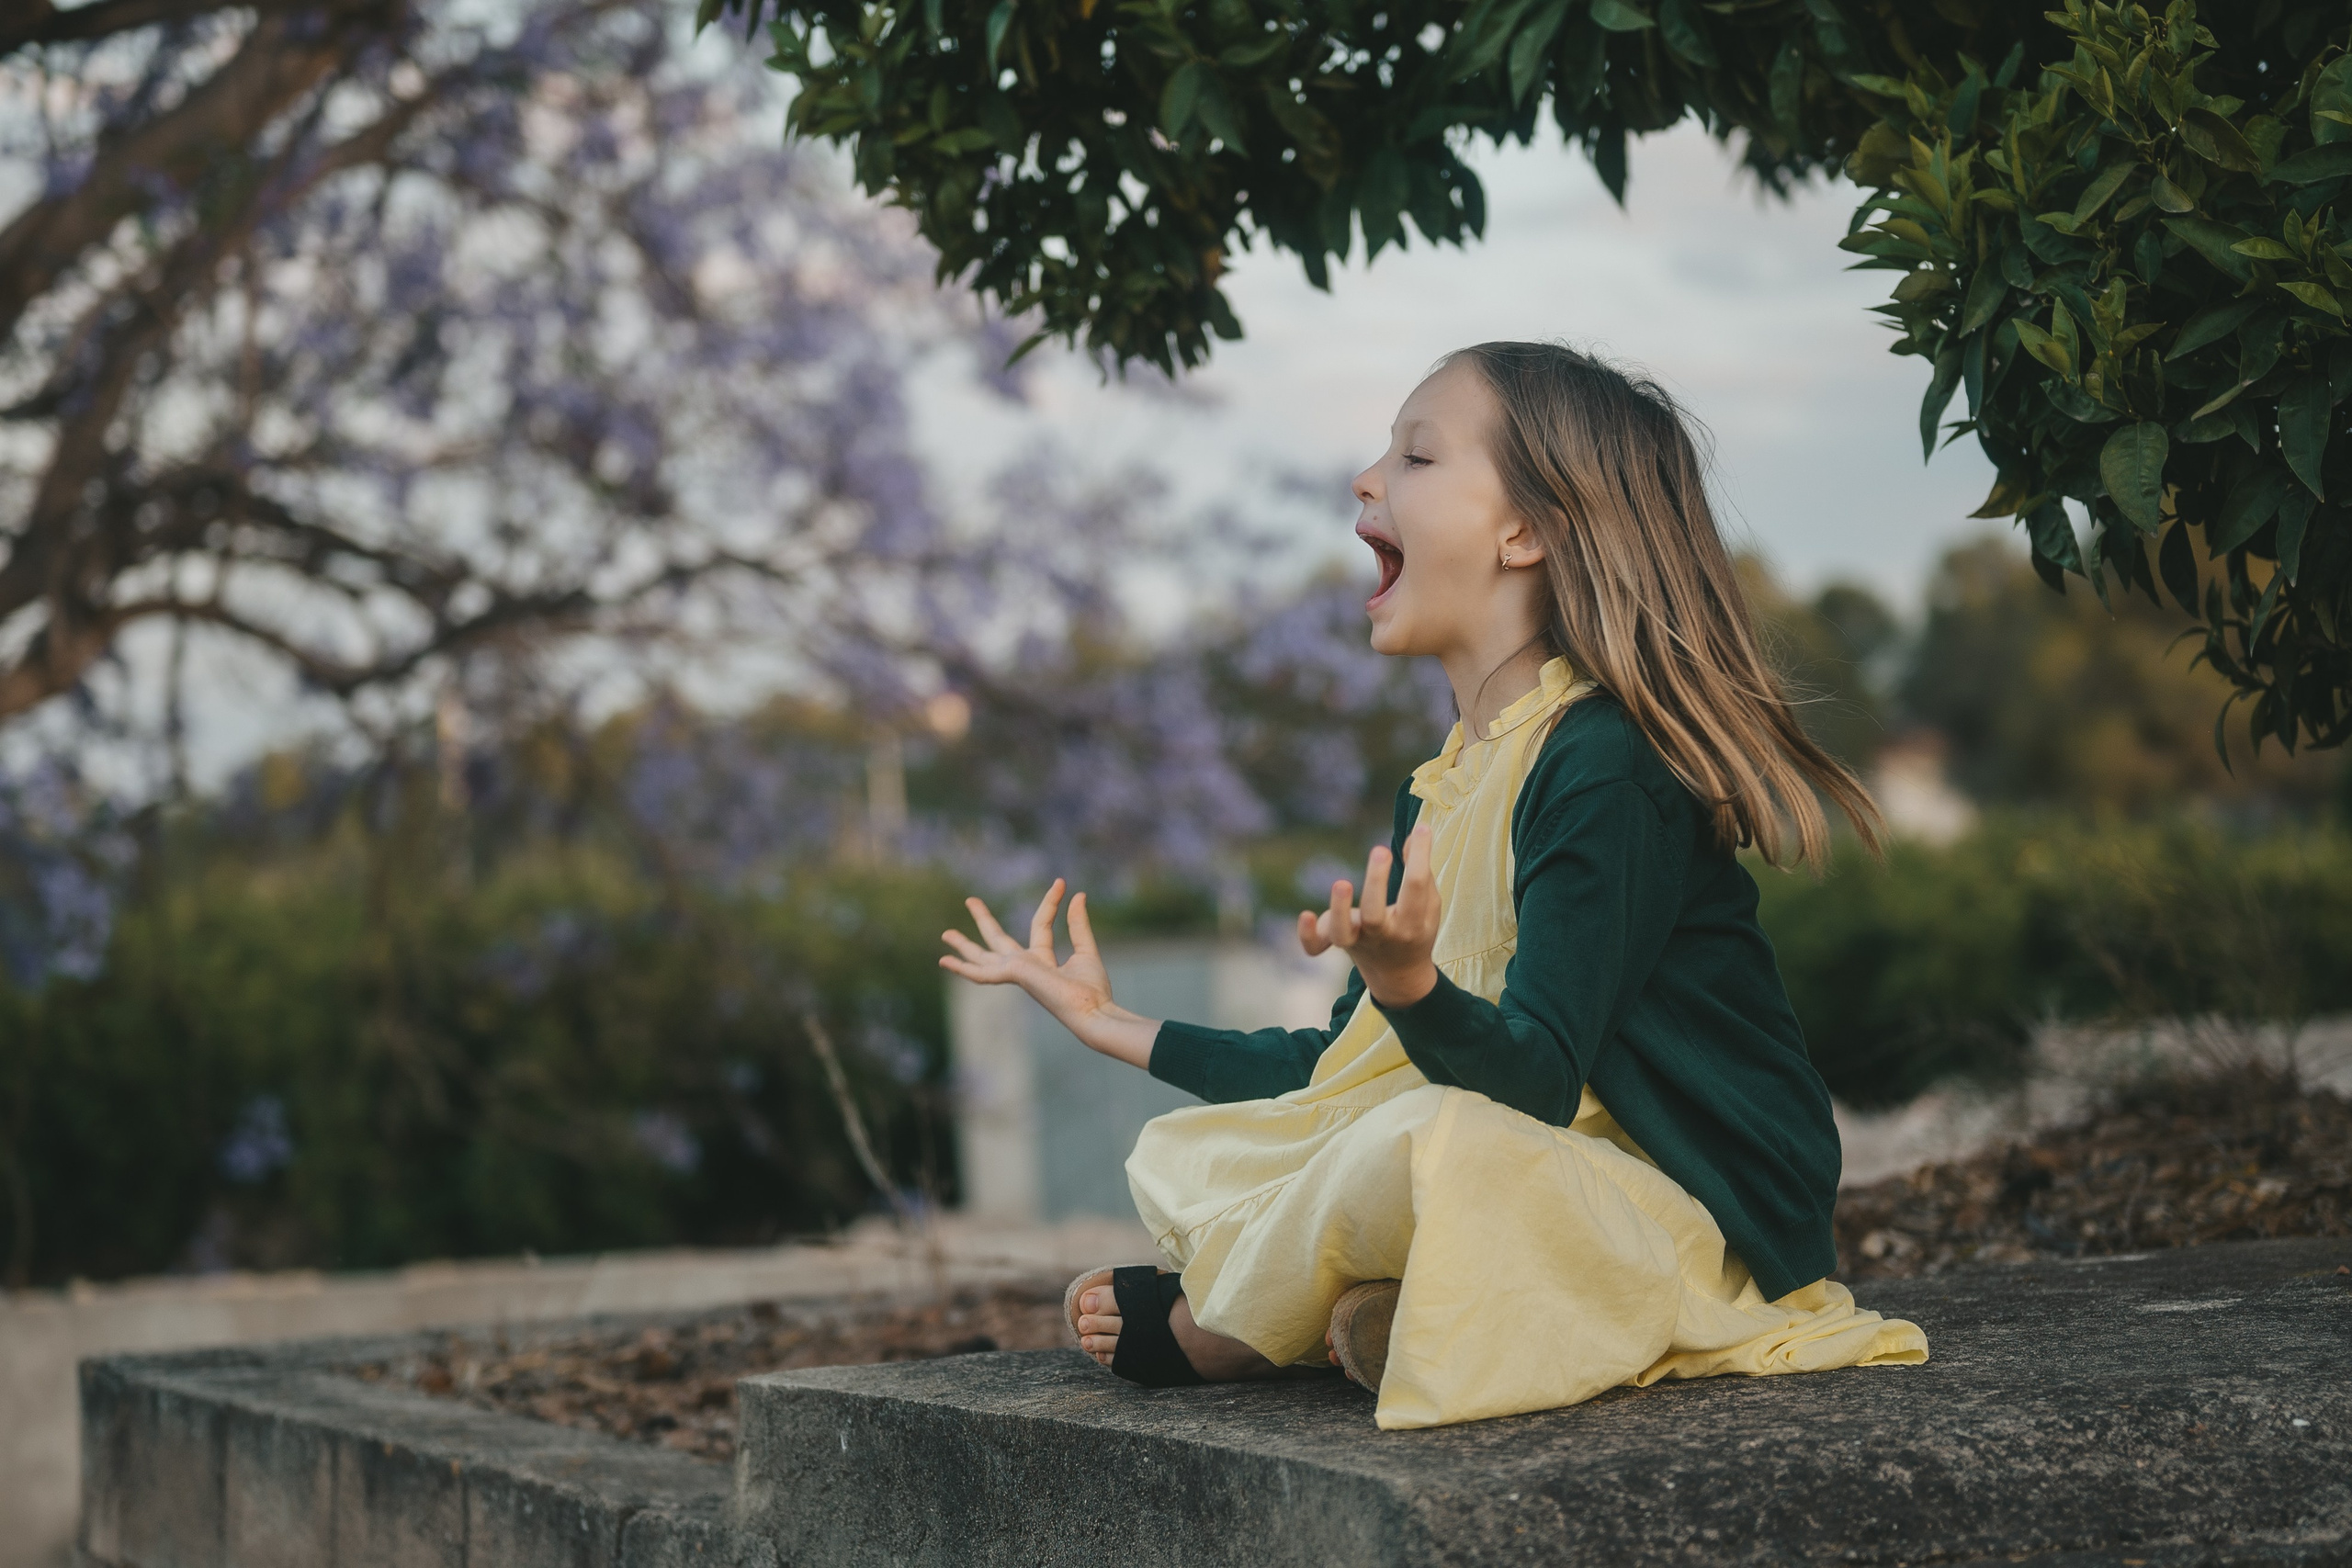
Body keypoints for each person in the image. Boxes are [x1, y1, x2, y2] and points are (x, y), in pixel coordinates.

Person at [939, 342, 1928, 1429]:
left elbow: (1534, 1083)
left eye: (1414, 455)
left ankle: (1221, 1331)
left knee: (1430, 1144)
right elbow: (1338, 1070)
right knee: (1305, 1130)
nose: (1367, 479)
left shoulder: (1604, 765)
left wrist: (1411, 987)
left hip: (1694, 1214)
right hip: (1547, 1174)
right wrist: (1110, 1022)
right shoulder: (1446, 785)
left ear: (1526, 532)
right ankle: (1382, 1312)